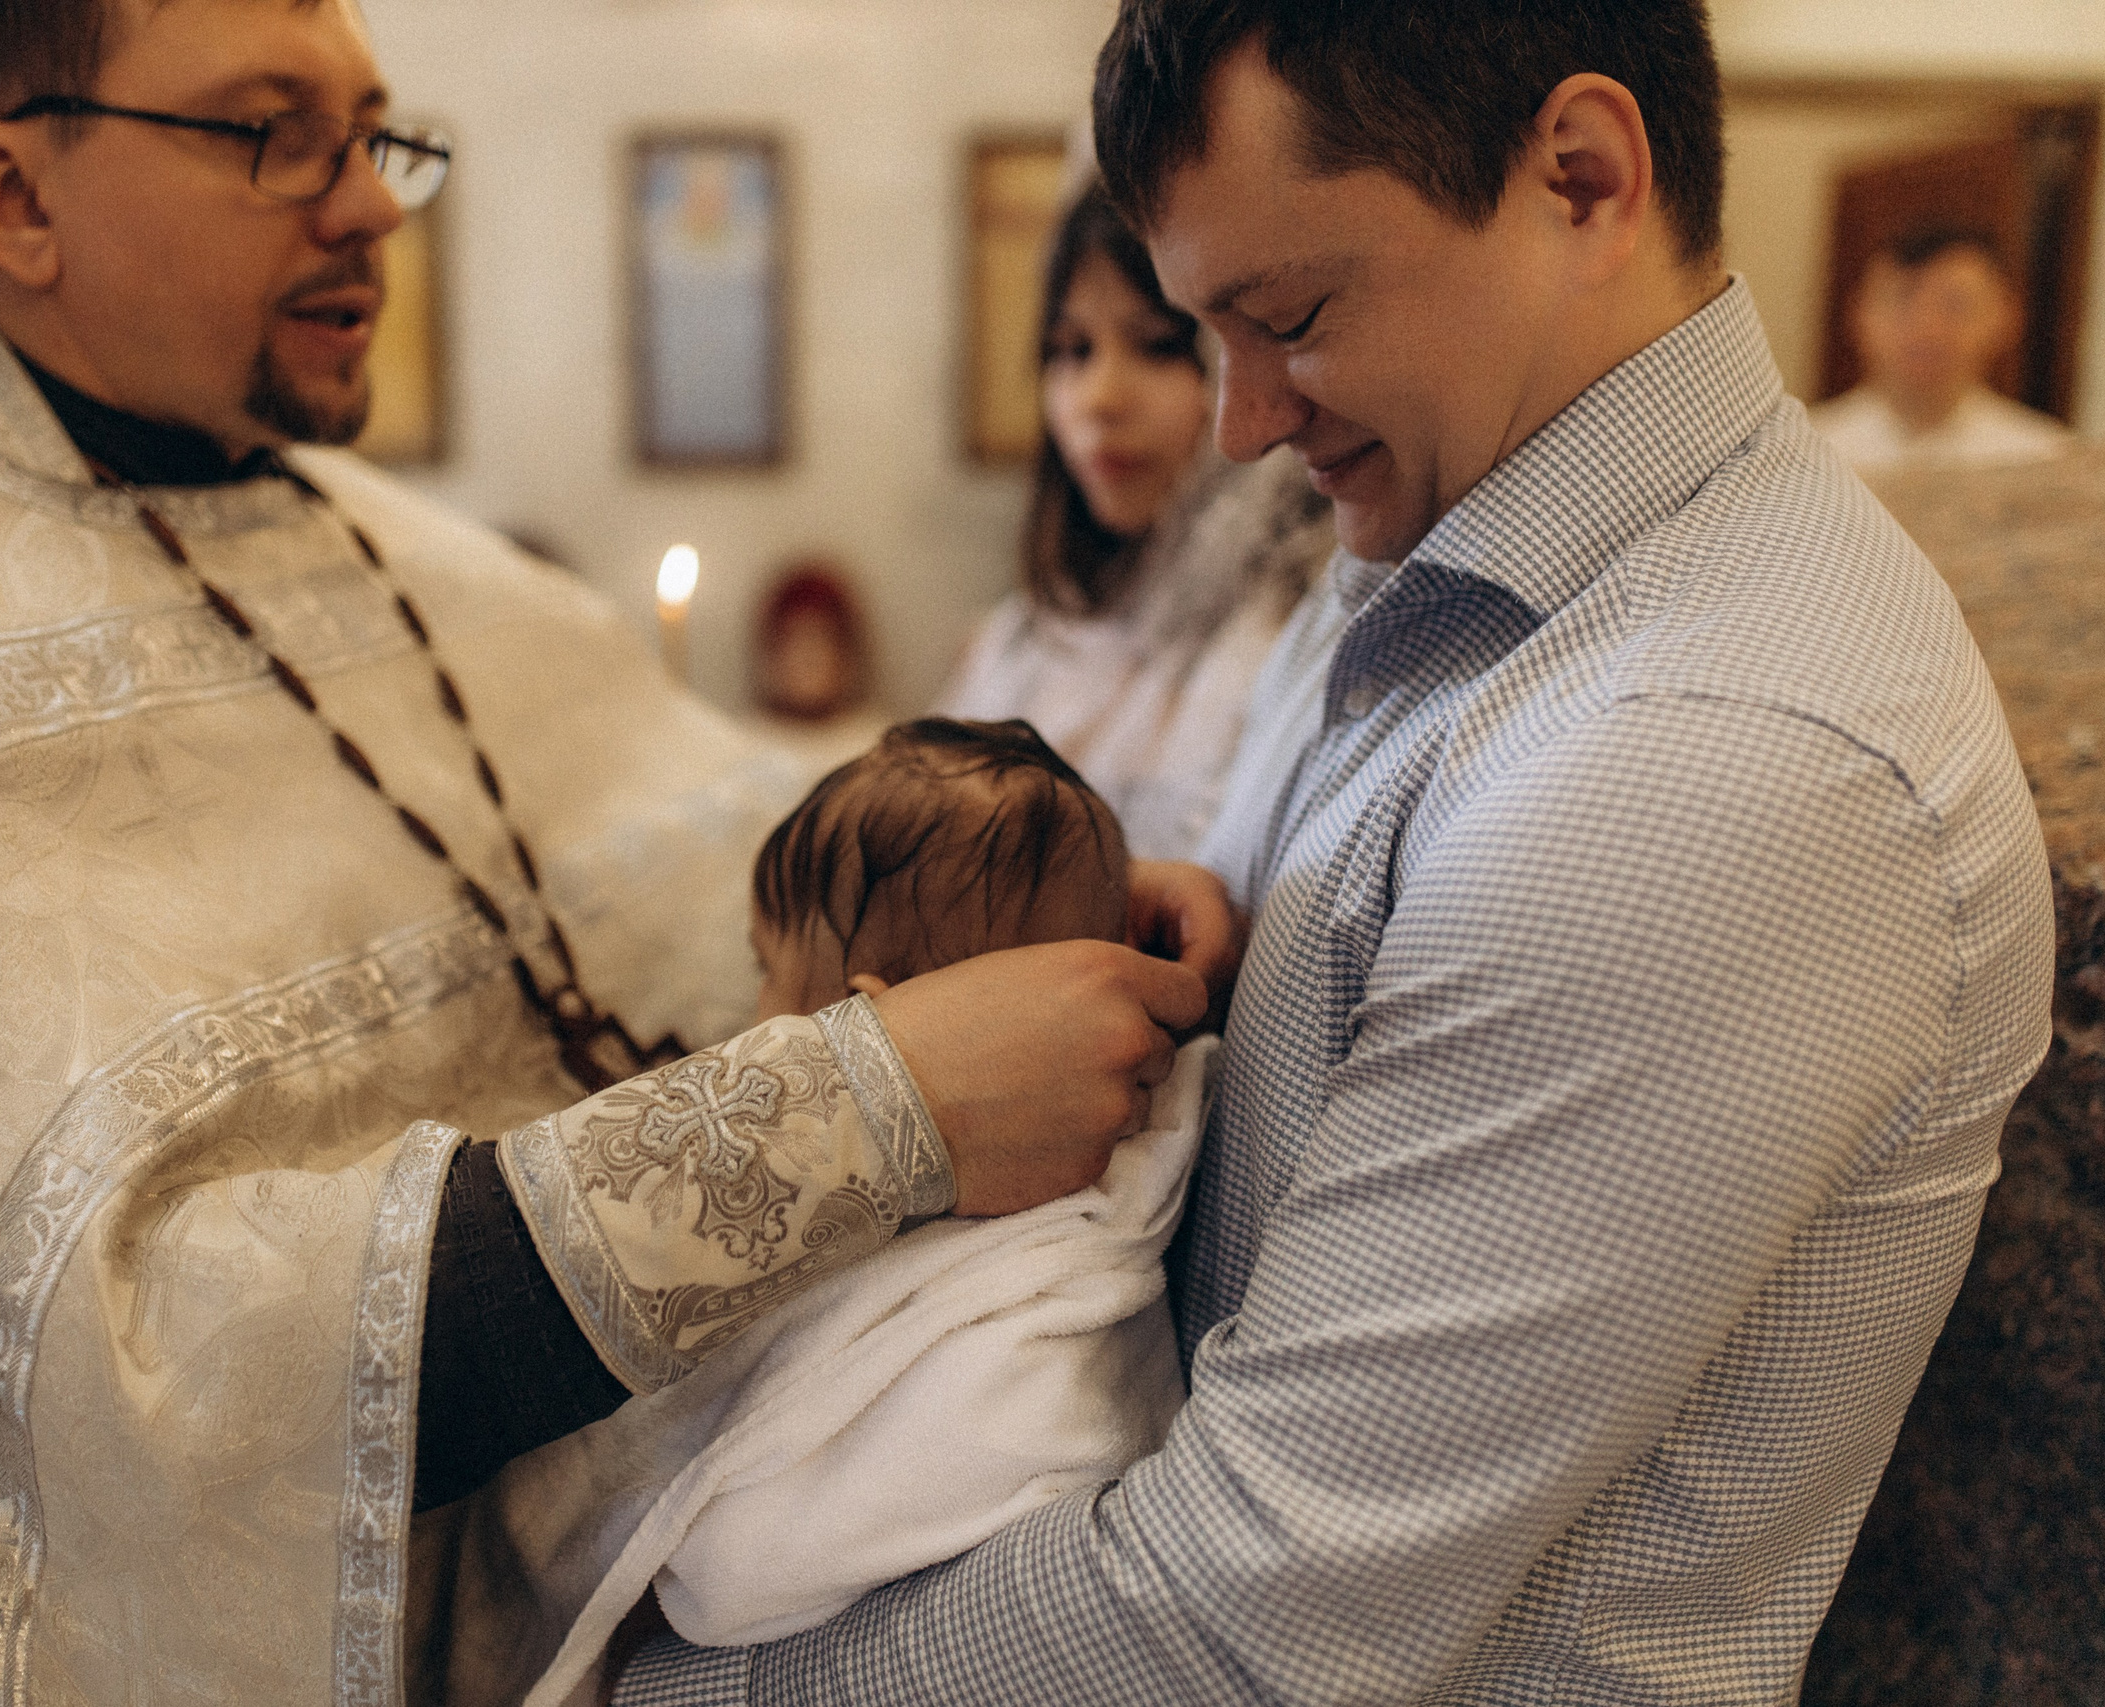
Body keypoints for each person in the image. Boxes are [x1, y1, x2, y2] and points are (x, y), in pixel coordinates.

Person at [0, 2, 1235, 1702]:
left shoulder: (348, 533)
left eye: (372, 133)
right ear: (16, 198)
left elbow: (708, 833)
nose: (375, 202)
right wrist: (871, 1108)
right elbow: (105, 1382)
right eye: (272, 134)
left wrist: (1039, 900)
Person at [617, 1, 2057, 1701]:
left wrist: (631, 1688)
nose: (1237, 424)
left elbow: (1241, 1619)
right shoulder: (1442, 536)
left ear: (1582, 179)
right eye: (1208, 331)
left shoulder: (1715, 761)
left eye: (1290, 317)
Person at [451, 719, 1218, 1706]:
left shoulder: (1008, 1289)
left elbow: (739, 1572)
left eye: (767, 970)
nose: (754, 1015)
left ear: (865, 1018)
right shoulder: (1156, 1122)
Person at [941, 183, 1336, 862]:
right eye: (1071, 350)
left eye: (1157, 346)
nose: (1100, 399)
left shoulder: (1300, 642)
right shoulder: (1025, 637)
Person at [1810, 224, 2074, 473]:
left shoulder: (2050, 460)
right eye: (1902, 300)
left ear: (2006, 318)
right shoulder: (1804, 453)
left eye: (1955, 305)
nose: (1927, 327)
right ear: (1857, 312)